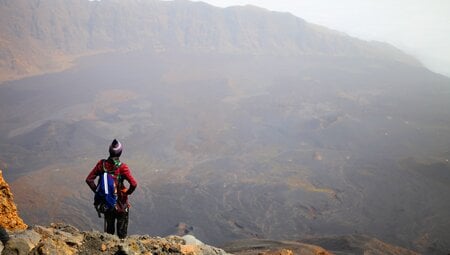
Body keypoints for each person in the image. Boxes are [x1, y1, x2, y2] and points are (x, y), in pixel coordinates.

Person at [86, 139, 137, 239]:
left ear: (109, 151)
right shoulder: (122, 167)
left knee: (109, 233)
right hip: (121, 204)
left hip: (107, 203)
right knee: (122, 235)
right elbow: (134, 184)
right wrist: (127, 192)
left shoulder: (101, 164)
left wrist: (100, 193)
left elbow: (89, 180)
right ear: (120, 152)